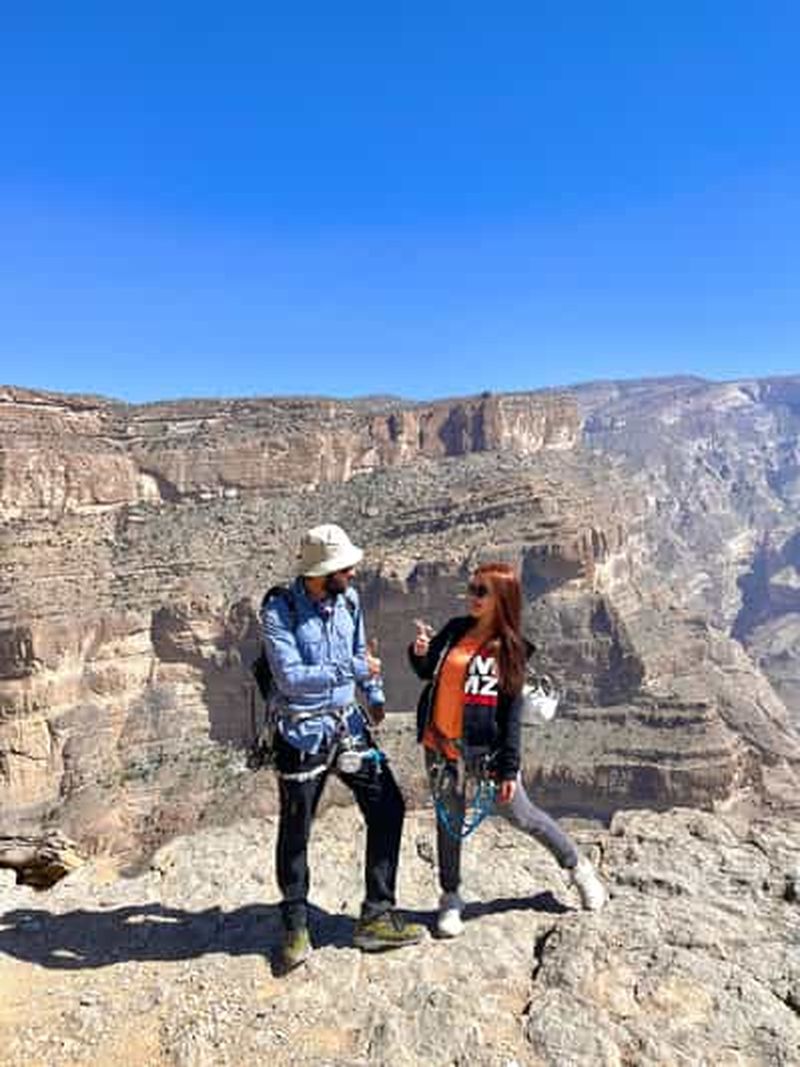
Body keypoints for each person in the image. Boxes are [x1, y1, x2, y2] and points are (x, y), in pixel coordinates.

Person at [408, 561, 606, 938]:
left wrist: (509, 768)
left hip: (485, 756)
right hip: (440, 748)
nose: (472, 596)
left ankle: (578, 868)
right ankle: (451, 898)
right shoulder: (455, 630)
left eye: (481, 591)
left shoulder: (509, 649)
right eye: (471, 588)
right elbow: (426, 671)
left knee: (523, 815)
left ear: (502, 598)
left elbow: (511, 715)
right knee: (449, 823)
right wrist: (419, 653)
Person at [262, 522, 424, 972]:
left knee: (388, 806)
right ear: (322, 572)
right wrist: (353, 670)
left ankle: (376, 915)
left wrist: (374, 695)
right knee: (297, 829)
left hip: (348, 724)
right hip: (301, 732)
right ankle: (296, 927)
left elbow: (360, 651)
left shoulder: (348, 600)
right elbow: (290, 678)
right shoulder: (279, 609)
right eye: (345, 567)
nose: (353, 573)